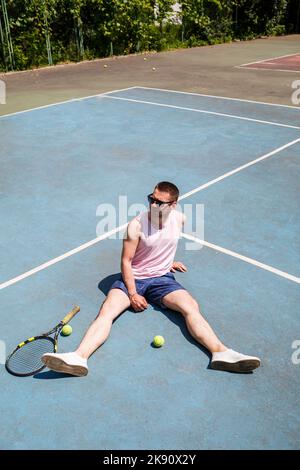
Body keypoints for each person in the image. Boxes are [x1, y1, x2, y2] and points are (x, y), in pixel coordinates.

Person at [42, 181, 260, 376]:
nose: (153, 205)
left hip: (162, 279)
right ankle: (78, 358)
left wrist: (167, 263)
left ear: (173, 204)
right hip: (134, 278)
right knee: (107, 312)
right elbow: (126, 261)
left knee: (191, 307)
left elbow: (167, 242)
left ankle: (220, 353)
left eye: (160, 202)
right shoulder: (136, 225)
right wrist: (133, 293)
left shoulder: (179, 219)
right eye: (151, 199)